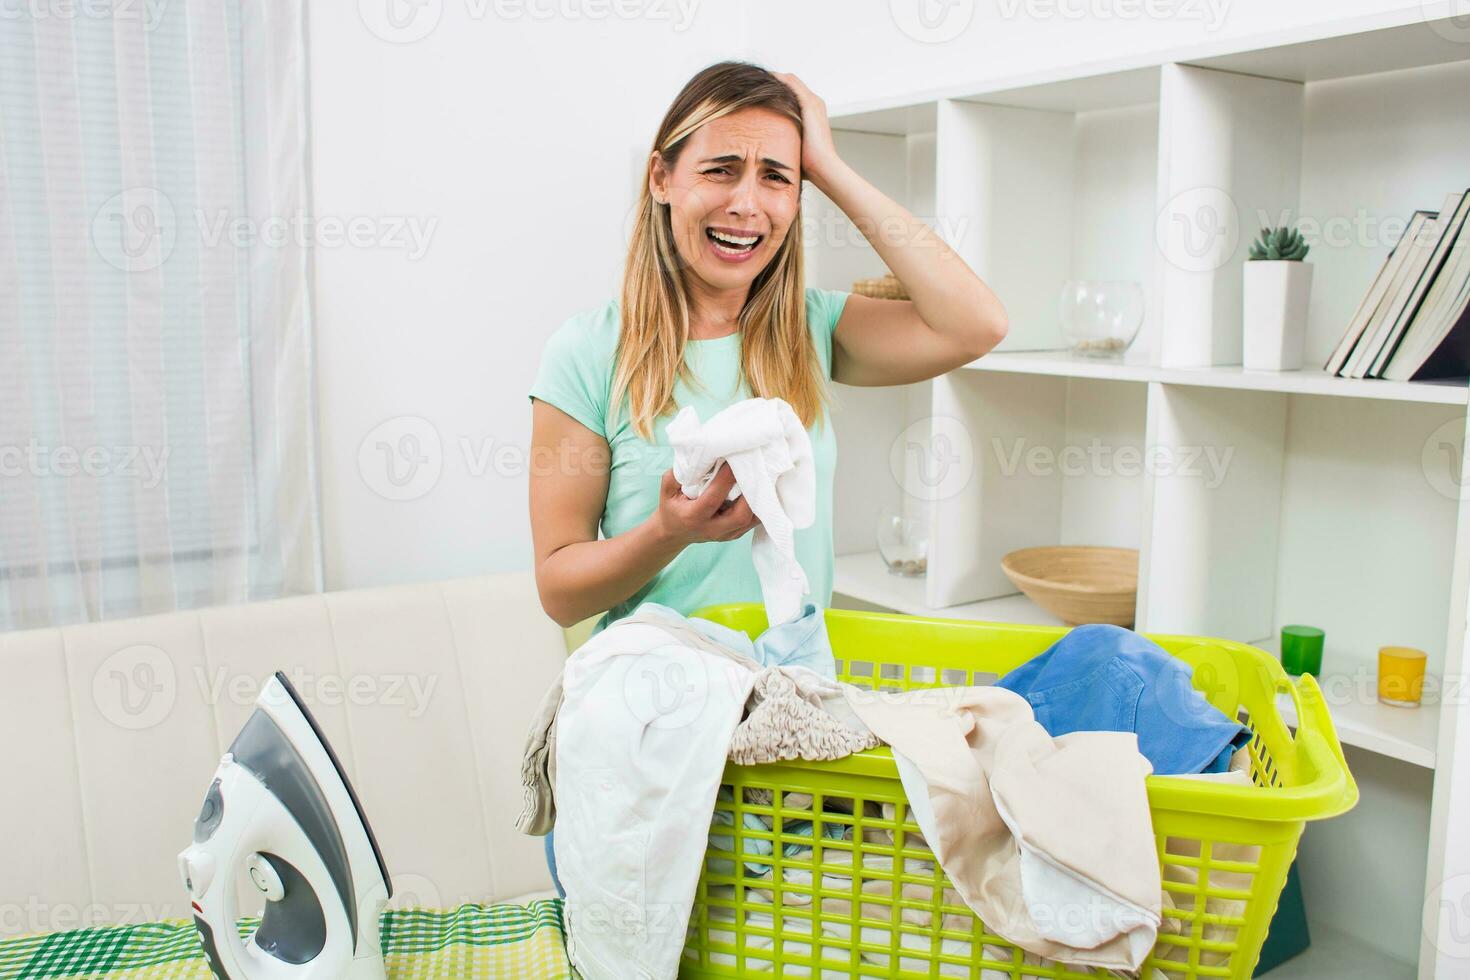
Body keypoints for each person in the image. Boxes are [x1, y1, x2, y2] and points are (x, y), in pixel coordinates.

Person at [527, 61, 1008, 899]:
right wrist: (667, 530)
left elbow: (978, 323)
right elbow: (561, 589)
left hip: (787, 740)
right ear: (661, 178)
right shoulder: (586, 352)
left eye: (775, 178)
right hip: (651, 757)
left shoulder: (814, 331)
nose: (748, 204)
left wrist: (826, 162)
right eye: (721, 169)